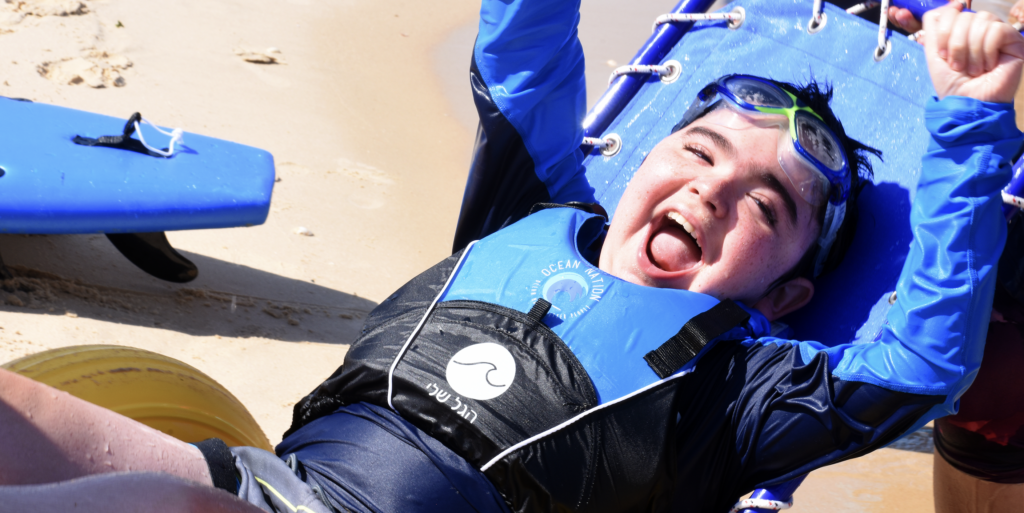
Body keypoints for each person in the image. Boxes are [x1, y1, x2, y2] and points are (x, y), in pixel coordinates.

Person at [0, 3, 1022, 513]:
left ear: (791, 290)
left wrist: (973, 125)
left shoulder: (743, 386)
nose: (711, 187)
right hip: (278, 485)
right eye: (698, 151)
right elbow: (521, 58)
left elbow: (919, 361)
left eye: (763, 203)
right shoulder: (529, 212)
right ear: (633, 170)